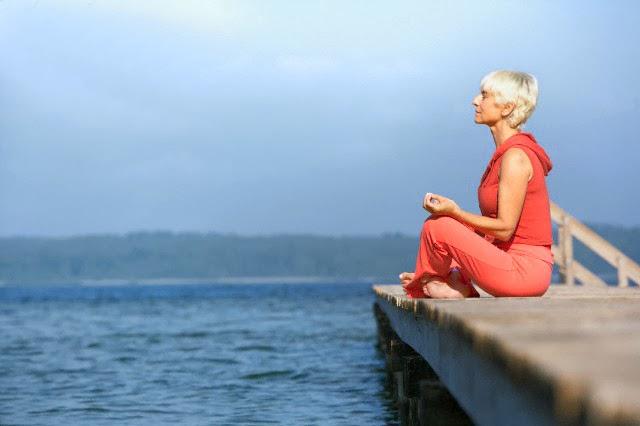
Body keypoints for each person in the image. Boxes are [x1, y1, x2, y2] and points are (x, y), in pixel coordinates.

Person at [400, 70, 554, 299]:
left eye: (484, 95)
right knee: (445, 224)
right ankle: (443, 280)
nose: (475, 101)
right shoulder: (505, 156)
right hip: (508, 261)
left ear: (507, 107)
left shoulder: (516, 157)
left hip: (524, 271)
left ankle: (439, 281)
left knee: (438, 226)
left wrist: (456, 212)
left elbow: (504, 228)